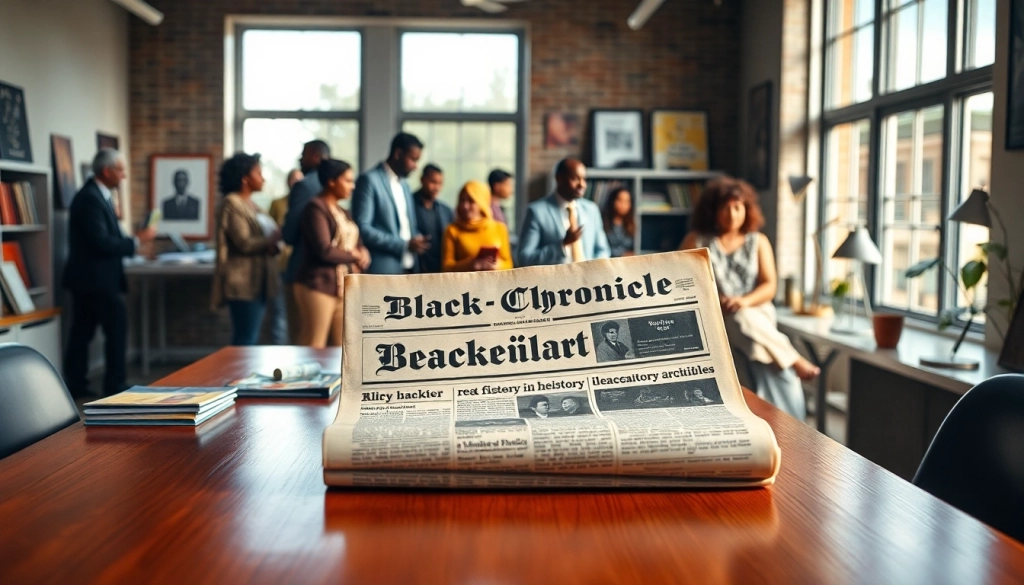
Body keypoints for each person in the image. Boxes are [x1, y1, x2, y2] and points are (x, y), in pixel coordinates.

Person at [680, 176, 818, 419]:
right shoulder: (696, 241)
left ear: (746, 209)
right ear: (713, 210)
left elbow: (769, 286)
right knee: (734, 323)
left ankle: (787, 369)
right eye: (725, 207)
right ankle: (791, 358)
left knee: (740, 317)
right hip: (716, 315)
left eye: (737, 207)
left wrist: (743, 301)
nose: (732, 214)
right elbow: (679, 282)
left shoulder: (758, 241)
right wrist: (713, 301)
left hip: (756, 313)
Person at [63, 148, 157, 397]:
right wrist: (137, 240)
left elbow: (107, 238)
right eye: (121, 170)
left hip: (94, 279)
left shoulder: (99, 196)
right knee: (112, 329)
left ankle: (78, 384)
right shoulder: (90, 198)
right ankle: (113, 384)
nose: (124, 176)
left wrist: (132, 242)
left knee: (82, 332)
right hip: (94, 281)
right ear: (107, 171)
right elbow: (100, 242)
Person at [294, 159, 370, 348]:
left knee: (343, 348)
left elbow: (357, 243)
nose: (352, 187)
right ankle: (301, 379)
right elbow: (324, 250)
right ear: (331, 181)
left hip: (343, 287)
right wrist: (354, 255)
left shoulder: (344, 211)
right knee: (314, 344)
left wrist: (363, 251)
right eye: (347, 181)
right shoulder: (315, 208)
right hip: (318, 285)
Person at [210, 152, 281, 346]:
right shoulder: (232, 203)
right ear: (245, 179)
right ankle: (237, 376)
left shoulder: (254, 205)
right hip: (243, 283)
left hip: (259, 281)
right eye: (258, 173)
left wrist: (273, 244)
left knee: (250, 336)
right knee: (245, 338)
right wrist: (271, 239)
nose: (263, 178)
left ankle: (243, 374)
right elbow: (244, 242)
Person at [351, 132, 429, 274]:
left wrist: (416, 238)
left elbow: (407, 225)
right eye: (413, 159)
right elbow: (363, 228)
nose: (416, 166)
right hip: (382, 270)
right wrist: (403, 244)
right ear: (398, 153)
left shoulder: (405, 185)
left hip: (410, 268)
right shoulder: (369, 180)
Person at [518, 158, 610, 266]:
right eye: (575, 178)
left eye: (584, 179)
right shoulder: (536, 212)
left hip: (590, 280)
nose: (582, 184)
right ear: (559, 179)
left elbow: (603, 250)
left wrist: (592, 271)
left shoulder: (591, 209)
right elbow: (525, 258)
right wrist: (563, 244)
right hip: (556, 281)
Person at [282, 141, 331, 342]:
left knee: (303, 339)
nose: (300, 159)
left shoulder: (304, 186)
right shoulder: (334, 185)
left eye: (304, 154)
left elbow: (290, 234)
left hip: (304, 272)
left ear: (315, 156)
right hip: (331, 277)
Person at [265, 170, 303, 345]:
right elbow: (270, 231)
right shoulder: (277, 203)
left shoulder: (307, 202)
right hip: (282, 263)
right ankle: (279, 349)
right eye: (293, 180)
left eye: (299, 180)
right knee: (280, 312)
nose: (296, 183)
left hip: (301, 265)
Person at [441, 181, 513, 272]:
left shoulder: (500, 228)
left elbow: (509, 264)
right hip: (465, 285)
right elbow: (446, 267)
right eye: (462, 200)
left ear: (481, 202)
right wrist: (470, 264)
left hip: (494, 284)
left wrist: (498, 265)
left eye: (471, 201)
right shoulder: (452, 230)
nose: (465, 206)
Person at [412, 164, 452, 273]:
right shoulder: (408, 205)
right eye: (433, 182)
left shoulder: (446, 211)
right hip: (415, 269)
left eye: (440, 183)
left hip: (440, 270)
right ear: (422, 180)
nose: (437, 188)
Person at [603, 187, 635, 257]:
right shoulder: (604, 223)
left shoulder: (631, 224)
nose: (623, 205)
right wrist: (621, 254)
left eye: (627, 201)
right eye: (620, 200)